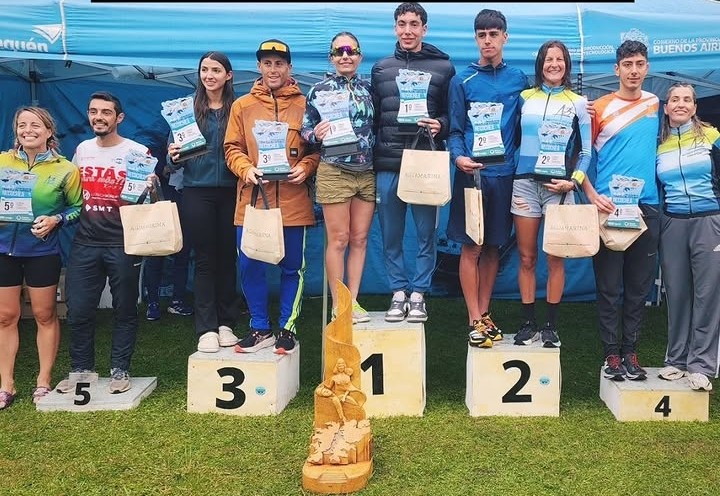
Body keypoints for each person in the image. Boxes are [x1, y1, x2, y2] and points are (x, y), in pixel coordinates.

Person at [56, 91, 157, 395]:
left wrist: (152, 185)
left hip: (124, 242)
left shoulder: (137, 150)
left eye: (106, 112)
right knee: (79, 309)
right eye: (93, 112)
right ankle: (81, 369)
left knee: (124, 308)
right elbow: (72, 193)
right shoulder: (83, 149)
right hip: (86, 242)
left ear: (119, 118)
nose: (98, 117)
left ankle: (120, 369)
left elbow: (148, 199)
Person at [225, 39, 320, 355]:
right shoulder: (242, 106)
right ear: (259, 67)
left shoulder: (306, 105)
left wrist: (306, 168)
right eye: (267, 63)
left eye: (279, 63)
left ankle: (287, 329)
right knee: (250, 265)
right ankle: (259, 327)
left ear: (289, 67)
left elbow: (315, 150)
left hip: (293, 202)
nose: (273, 69)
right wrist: (245, 168)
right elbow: (231, 148)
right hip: (252, 201)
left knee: (292, 268)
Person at [446, 8, 528, 348]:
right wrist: (459, 157)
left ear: (505, 37)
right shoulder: (461, 81)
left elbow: (529, 127)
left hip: (505, 176)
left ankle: (484, 312)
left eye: (494, 34)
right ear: (476, 38)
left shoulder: (520, 79)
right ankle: (473, 319)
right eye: (482, 35)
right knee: (472, 247)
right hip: (472, 176)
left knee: (493, 247)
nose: (488, 40)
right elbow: (454, 130)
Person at [371, 2, 456, 323]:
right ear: (395, 28)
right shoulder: (381, 68)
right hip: (389, 165)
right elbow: (375, 117)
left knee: (425, 235)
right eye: (402, 24)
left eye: (414, 24)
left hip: (425, 164)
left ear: (424, 28)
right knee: (391, 235)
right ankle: (397, 292)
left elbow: (452, 114)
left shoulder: (444, 67)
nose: (408, 30)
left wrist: (441, 125)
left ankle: (418, 293)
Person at [582, 40, 660, 381]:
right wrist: (590, 194)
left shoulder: (657, 104)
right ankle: (611, 355)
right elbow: (580, 157)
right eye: (627, 64)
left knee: (638, 287)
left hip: (648, 206)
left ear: (646, 68)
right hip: (610, 207)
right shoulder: (597, 108)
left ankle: (631, 352)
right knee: (610, 288)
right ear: (616, 69)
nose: (633, 70)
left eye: (639, 63)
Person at [510, 40, 591, 348]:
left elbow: (585, 151)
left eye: (559, 59)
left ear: (566, 64)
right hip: (525, 185)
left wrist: (574, 181)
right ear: (540, 64)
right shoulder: (524, 97)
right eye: (548, 59)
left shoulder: (579, 102)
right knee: (527, 257)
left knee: (555, 259)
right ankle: (528, 322)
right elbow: (515, 139)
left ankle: (550, 326)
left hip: (560, 188)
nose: (553, 64)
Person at [0, 107, 82, 409]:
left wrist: (56, 220)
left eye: (35, 125)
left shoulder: (65, 169)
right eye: (22, 125)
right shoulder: (2, 161)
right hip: (3, 250)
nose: (28, 130)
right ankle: (5, 384)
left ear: (49, 132)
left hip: (42, 251)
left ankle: (43, 380)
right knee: (5, 316)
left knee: (44, 315)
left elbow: (77, 208)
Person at [167, 51, 240, 353]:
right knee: (205, 258)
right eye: (205, 70)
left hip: (232, 191)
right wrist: (172, 155)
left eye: (216, 70)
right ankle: (206, 327)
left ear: (228, 75)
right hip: (196, 191)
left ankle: (227, 323)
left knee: (229, 257)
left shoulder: (239, 109)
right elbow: (171, 164)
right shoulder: (185, 110)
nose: (209, 75)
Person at [301, 32, 375, 324]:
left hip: (367, 170)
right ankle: (339, 303)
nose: (345, 56)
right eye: (339, 51)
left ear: (359, 56)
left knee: (359, 238)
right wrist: (314, 133)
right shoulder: (318, 90)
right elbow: (304, 130)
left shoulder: (370, 89)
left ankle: (353, 301)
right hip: (334, 169)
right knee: (339, 239)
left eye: (351, 51)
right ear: (331, 58)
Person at [656, 82, 720, 391]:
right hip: (673, 223)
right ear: (666, 107)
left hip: (710, 221)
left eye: (687, 100)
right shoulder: (659, 144)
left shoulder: (712, 136)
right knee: (678, 293)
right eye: (674, 99)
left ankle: (701, 365)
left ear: (695, 107)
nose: (680, 104)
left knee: (707, 295)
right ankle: (677, 360)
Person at [143, 149, 193, 321]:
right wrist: (166, 167)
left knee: (183, 250)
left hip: (189, 196)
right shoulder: (165, 138)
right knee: (157, 251)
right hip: (165, 195)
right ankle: (152, 303)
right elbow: (160, 170)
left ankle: (177, 300)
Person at [315, 358, 366, 424]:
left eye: (342, 366)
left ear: (344, 366)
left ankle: (358, 416)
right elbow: (329, 387)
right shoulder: (334, 378)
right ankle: (342, 417)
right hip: (337, 395)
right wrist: (322, 387)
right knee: (336, 400)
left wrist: (344, 397)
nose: (341, 367)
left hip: (345, 396)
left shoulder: (347, 377)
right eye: (339, 366)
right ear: (337, 367)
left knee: (354, 402)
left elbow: (348, 388)